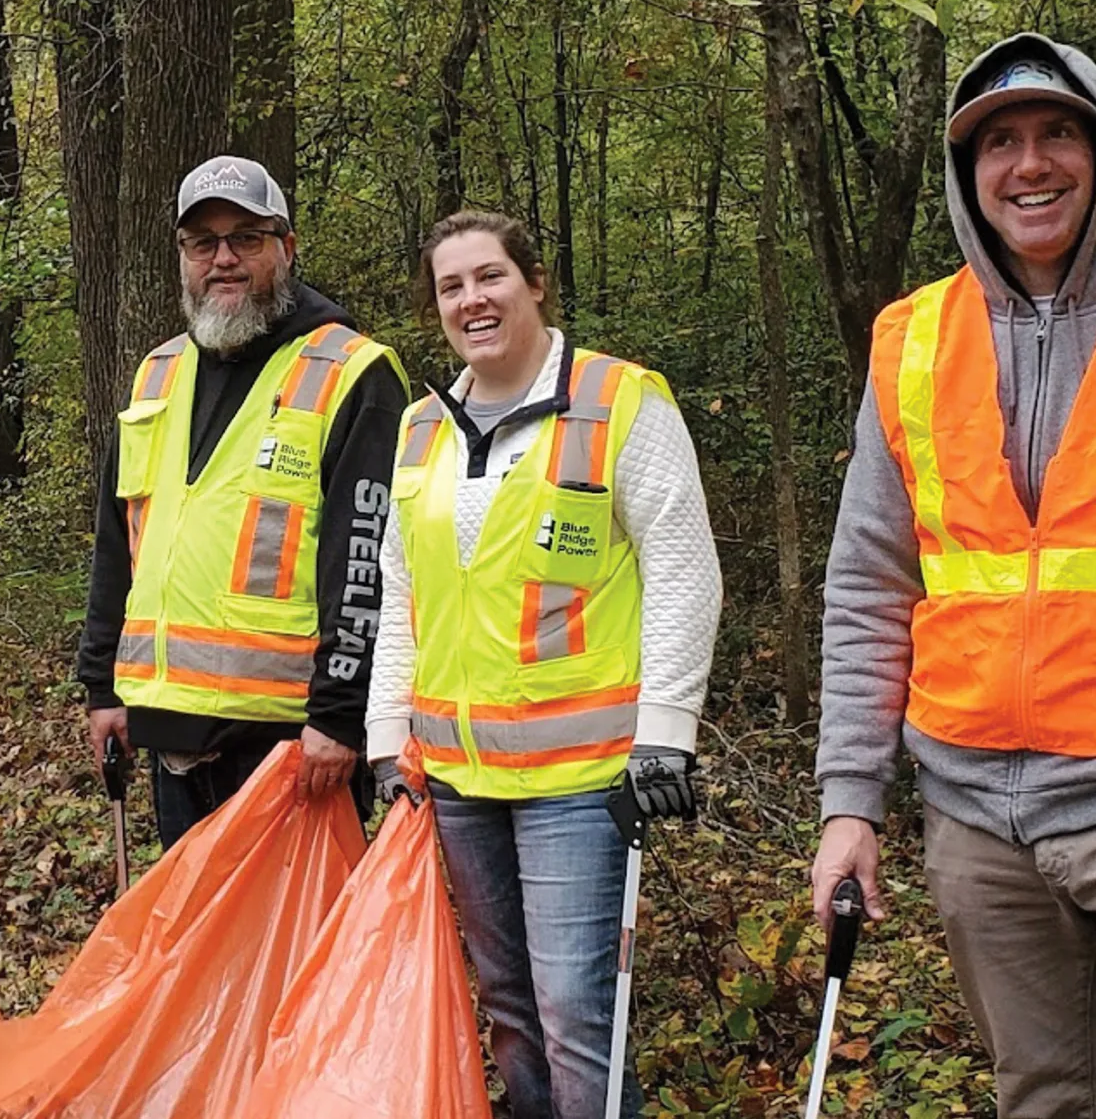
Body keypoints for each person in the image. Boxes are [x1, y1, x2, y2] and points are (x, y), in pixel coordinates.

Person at [813, 33, 1096, 1118]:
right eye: (998, 143)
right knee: (1047, 1099)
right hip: (976, 815)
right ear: (965, 175)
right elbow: (870, 584)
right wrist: (849, 803)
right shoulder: (912, 338)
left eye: (1055, 132)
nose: (1028, 164)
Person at [367, 211, 721, 1119]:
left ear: (533, 283)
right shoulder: (418, 431)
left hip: (582, 778)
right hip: (457, 778)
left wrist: (667, 736)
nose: (471, 300)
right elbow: (397, 595)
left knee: (574, 1017)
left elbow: (684, 570)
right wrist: (383, 738)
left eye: (489, 277)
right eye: (451, 287)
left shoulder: (619, 401)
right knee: (513, 1014)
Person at [77, 155, 411, 847]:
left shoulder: (354, 373)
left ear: (285, 249)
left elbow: (369, 562)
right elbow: (121, 539)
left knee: (294, 956)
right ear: (182, 257)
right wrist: (102, 686)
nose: (223, 259)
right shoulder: (158, 374)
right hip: (170, 735)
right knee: (200, 956)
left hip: (293, 747)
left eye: (246, 238)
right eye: (204, 243)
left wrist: (342, 716)